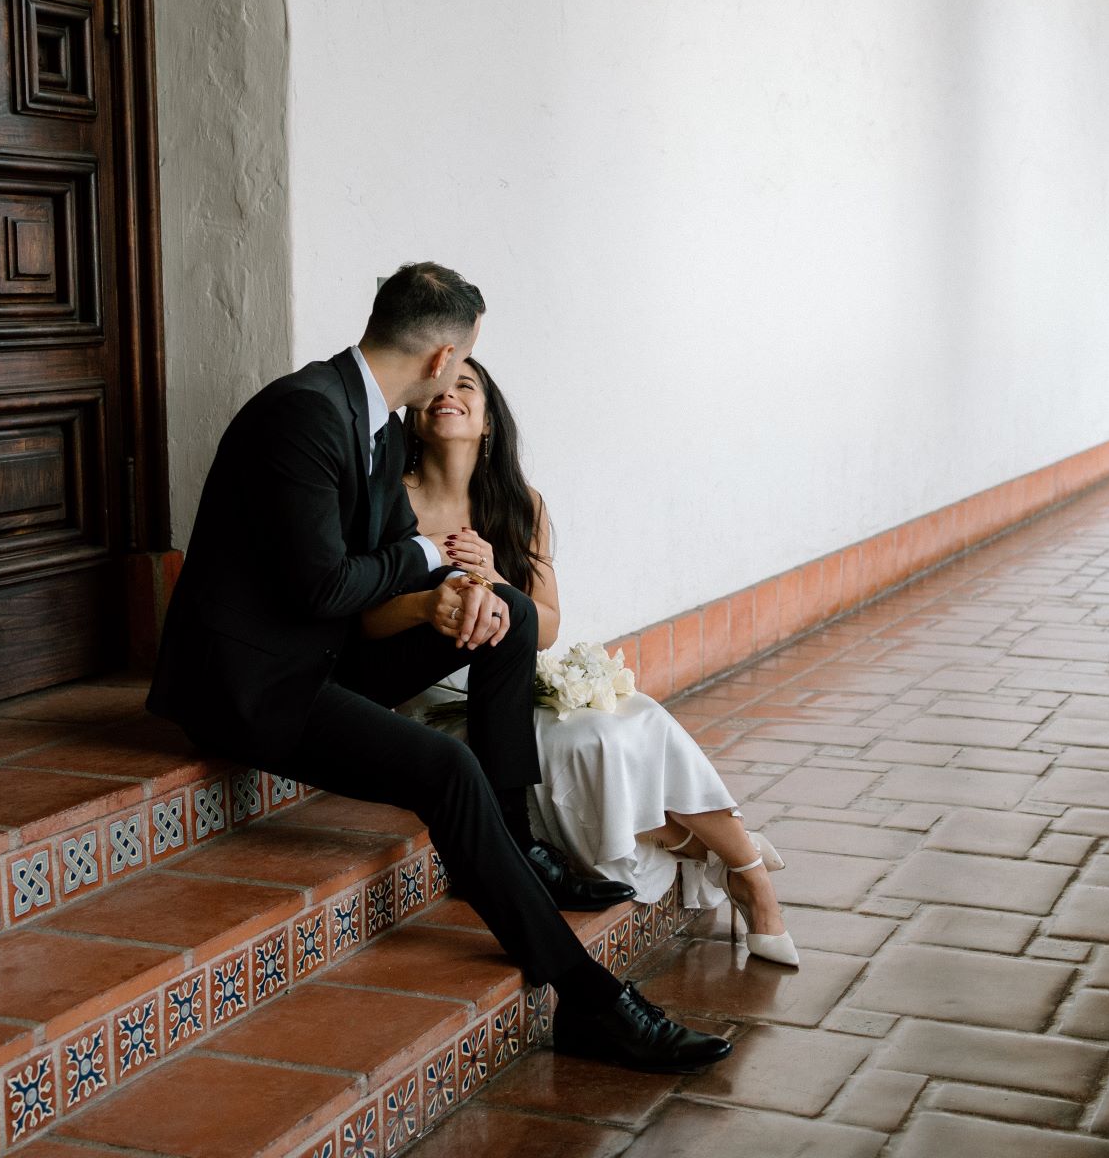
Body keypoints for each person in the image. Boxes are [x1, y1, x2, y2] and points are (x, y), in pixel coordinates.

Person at [146, 261, 732, 1072]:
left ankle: (513, 843)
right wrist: (426, 557)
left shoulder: (376, 422)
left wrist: (459, 596)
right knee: (445, 769)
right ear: (438, 358)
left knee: (512, 614)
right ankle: (590, 1000)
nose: (461, 378)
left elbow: (387, 567)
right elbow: (324, 584)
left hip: (327, 656)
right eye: (462, 363)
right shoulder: (304, 416)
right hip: (256, 687)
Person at [363, 357, 797, 967]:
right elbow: (363, 621)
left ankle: (748, 873)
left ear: (488, 420)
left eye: (468, 387)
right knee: (587, 746)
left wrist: (495, 580)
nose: (450, 395)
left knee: (637, 718)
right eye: (438, 386)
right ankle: (738, 860)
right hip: (436, 697)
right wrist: (427, 603)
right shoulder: (387, 501)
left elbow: (545, 628)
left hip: (511, 679)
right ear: (414, 411)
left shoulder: (521, 503)